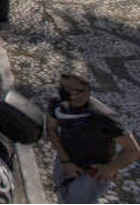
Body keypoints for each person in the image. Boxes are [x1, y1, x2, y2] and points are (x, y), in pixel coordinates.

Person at [47, 62, 140, 203]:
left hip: (90, 175)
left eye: (75, 91)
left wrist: (110, 168)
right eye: (64, 88)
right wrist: (66, 161)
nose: (68, 94)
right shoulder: (57, 104)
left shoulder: (103, 117)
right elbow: (51, 129)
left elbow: (132, 150)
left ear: (88, 91)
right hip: (64, 164)